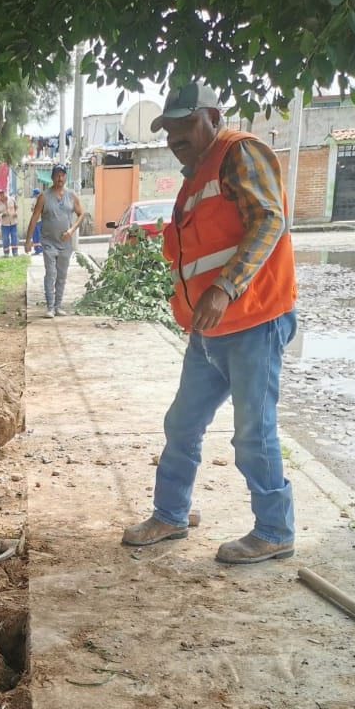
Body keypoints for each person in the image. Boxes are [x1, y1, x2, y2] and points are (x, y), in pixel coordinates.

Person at [121, 81, 298, 564]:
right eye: (169, 130)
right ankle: (171, 514)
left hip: (253, 322)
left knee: (252, 433)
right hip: (208, 331)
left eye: (184, 126)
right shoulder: (198, 172)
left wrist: (224, 287)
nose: (174, 136)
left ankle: (275, 529)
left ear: (213, 117)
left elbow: (269, 220)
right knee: (182, 422)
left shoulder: (240, 154)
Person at [25, 163, 84, 316]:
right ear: (52, 177)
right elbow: (34, 218)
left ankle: (58, 306)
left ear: (66, 177)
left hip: (65, 244)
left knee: (62, 274)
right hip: (49, 242)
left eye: (63, 175)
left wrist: (71, 230)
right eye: (57, 175)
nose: (60, 177)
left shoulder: (72, 196)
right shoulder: (44, 197)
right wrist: (28, 240)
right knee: (51, 273)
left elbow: (81, 214)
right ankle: (50, 307)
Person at [0, 188, 19, 256]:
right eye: (0, 194)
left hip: (13, 222)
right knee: (5, 238)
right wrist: (2, 215)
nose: (2, 195)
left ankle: (15, 252)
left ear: (5, 193)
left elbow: (16, 207)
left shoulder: (11, 199)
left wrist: (15, 213)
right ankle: (6, 253)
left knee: (14, 237)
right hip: (4, 224)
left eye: (3, 193)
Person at [30, 189, 43, 254]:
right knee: (35, 235)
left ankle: (42, 249)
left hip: (41, 220)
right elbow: (32, 208)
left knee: (41, 235)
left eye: (36, 195)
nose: (35, 196)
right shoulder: (34, 200)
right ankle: (36, 249)